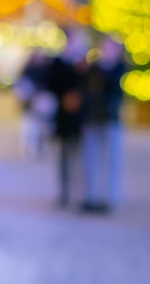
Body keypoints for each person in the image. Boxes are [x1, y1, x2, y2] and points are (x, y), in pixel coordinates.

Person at [79, 36, 126, 213]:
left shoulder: (118, 69)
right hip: (92, 118)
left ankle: (109, 198)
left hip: (110, 119)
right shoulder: (93, 69)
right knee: (90, 160)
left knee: (111, 161)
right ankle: (90, 196)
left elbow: (112, 88)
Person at [46, 28, 89, 207]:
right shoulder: (59, 63)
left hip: (79, 119)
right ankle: (64, 192)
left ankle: (80, 193)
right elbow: (51, 84)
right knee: (63, 156)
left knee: (79, 156)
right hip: (63, 118)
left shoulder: (83, 64)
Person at [14, 49, 55, 159]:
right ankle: (28, 147)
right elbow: (21, 88)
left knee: (40, 128)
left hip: (41, 103)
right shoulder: (28, 69)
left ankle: (36, 148)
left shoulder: (45, 69)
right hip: (29, 104)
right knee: (29, 127)